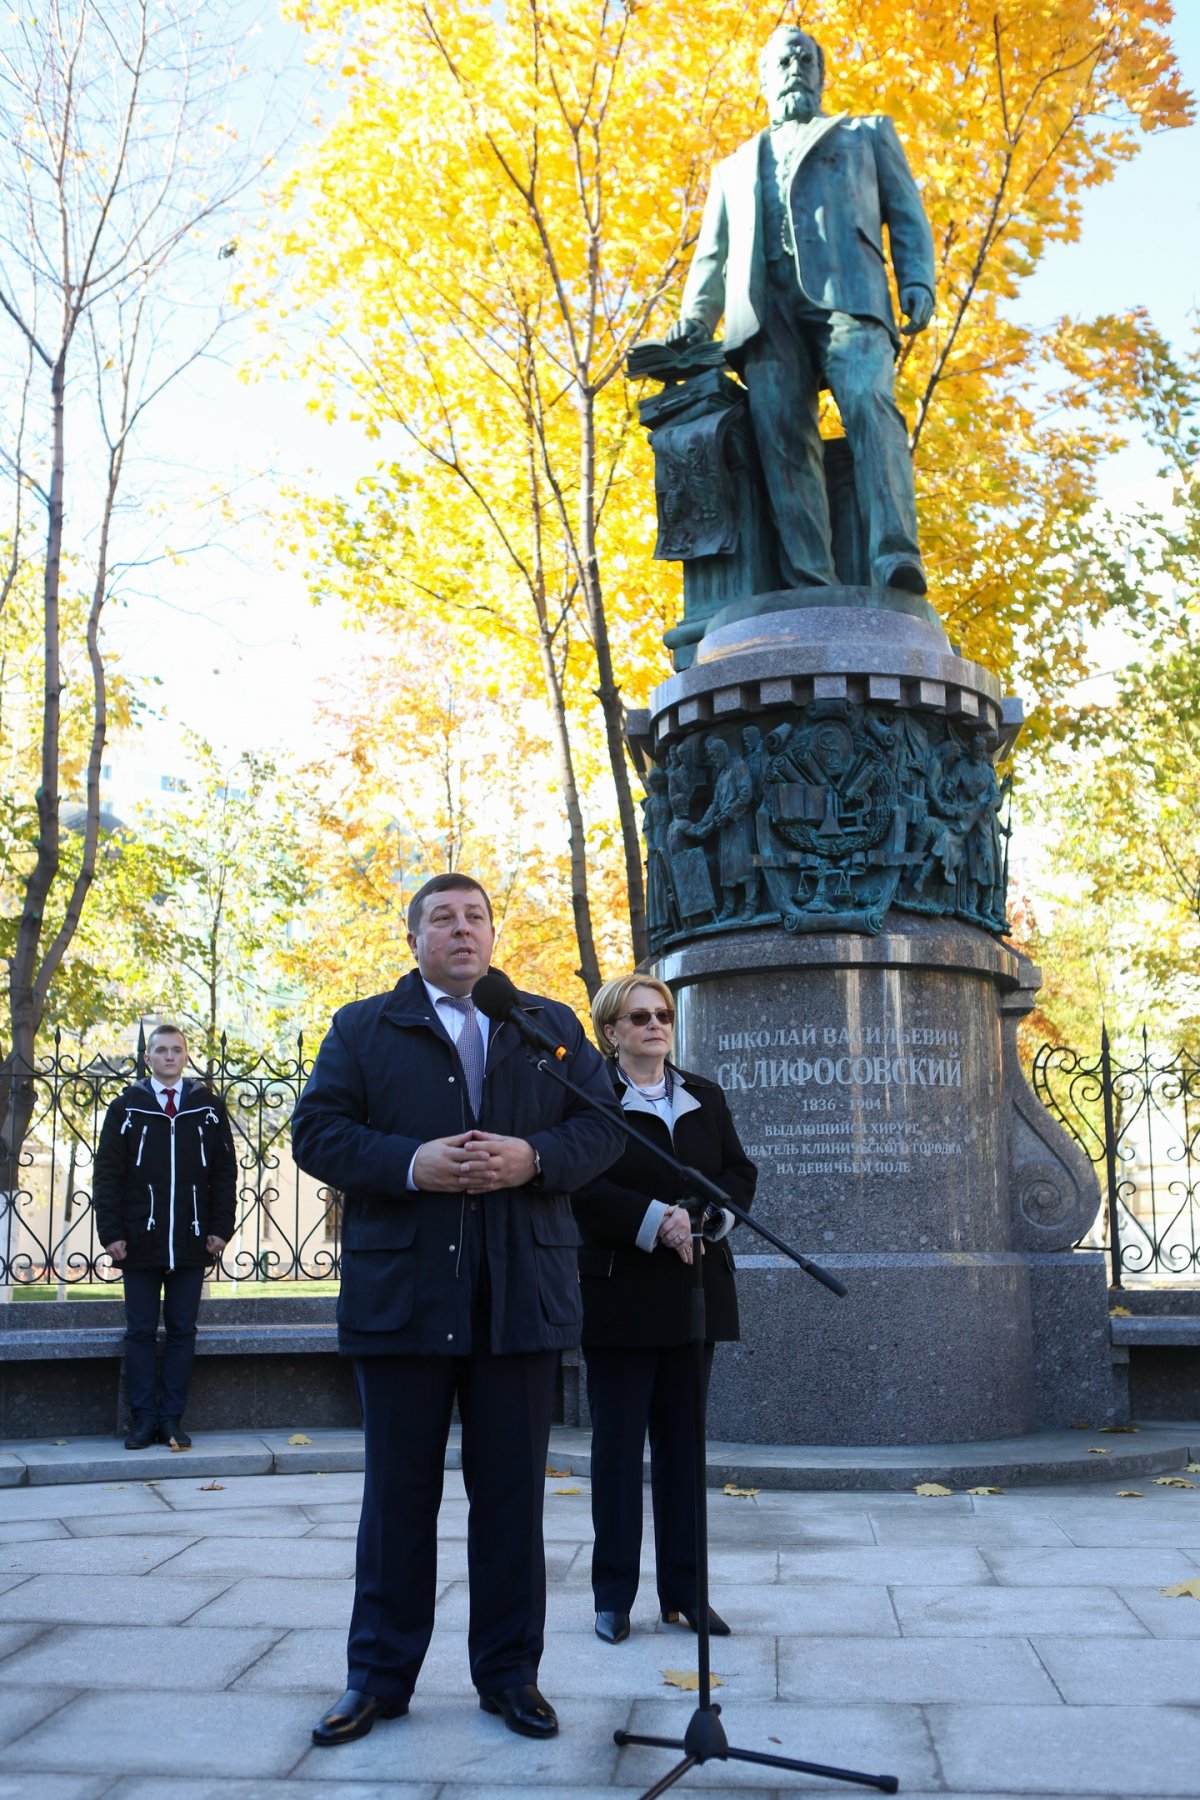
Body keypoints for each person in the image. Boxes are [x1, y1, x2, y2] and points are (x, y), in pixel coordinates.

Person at [289, 873, 623, 1748]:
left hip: (519, 1300)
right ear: (415, 939)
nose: (463, 930)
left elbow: (607, 1128)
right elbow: (316, 1132)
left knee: (511, 1499)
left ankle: (510, 1677)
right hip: (404, 1299)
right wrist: (410, 1163)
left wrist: (533, 1160)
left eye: (476, 917)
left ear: (491, 934)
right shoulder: (364, 1027)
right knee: (396, 1499)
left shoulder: (545, 1025)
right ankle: (377, 1679)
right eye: (443, 918)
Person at [667, 25, 936, 596]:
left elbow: (907, 215)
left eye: (804, 58)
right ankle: (812, 581)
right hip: (765, 314)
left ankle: (895, 557)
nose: (794, 67)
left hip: (851, 298)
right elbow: (711, 254)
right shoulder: (734, 167)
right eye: (783, 61)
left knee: (870, 405)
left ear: (819, 72)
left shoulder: (866, 134)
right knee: (784, 440)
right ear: (765, 78)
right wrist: (695, 318)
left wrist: (917, 279)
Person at [572, 974, 756, 1645]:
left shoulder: (704, 1095)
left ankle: (684, 1596)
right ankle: (612, 1598)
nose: (656, 1025)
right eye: (640, 1016)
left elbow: (738, 1174)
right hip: (621, 1291)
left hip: (693, 1291)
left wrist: (702, 1218)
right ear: (612, 1031)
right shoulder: (591, 1098)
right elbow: (580, 1183)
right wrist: (654, 1219)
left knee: (683, 1451)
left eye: (664, 1014)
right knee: (618, 1451)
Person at [93, 1022, 235, 1451]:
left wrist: (219, 1227)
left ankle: (171, 1419)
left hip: (191, 1240)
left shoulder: (208, 1109)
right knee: (139, 1332)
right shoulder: (126, 1110)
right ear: (148, 1058)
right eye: (161, 1050)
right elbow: (108, 1175)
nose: (169, 1056)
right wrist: (111, 1233)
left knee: (181, 1331)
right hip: (139, 1240)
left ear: (186, 1057)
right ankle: (143, 1421)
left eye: (176, 1050)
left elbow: (225, 1173)